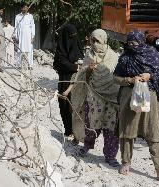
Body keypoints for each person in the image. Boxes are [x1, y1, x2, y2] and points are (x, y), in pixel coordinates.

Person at [113, 30, 159, 182]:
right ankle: (126, 163)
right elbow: (116, 78)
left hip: (150, 99)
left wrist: (149, 75)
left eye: (135, 43)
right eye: (130, 43)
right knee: (127, 130)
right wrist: (130, 80)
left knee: (154, 131)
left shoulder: (152, 54)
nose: (132, 46)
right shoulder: (125, 57)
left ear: (142, 43)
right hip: (129, 99)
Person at [67, 29, 120, 167]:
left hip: (112, 97)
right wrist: (89, 69)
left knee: (111, 127)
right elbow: (82, 75)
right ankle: (87, 146)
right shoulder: (89, 55)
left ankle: (110, 155)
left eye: (98, 41)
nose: (95, 44)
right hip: (93, 95)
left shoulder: (113, 56)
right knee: (91, 123)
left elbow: (117, 76)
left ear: (104, 41)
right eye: (93, 40)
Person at [53, 23, 84, 136]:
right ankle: (68, 130)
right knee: (65, 106)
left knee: (77, 107)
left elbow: (82, 60)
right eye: (70, 35)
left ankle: (77, 132)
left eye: (74, 35)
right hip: (65, 81)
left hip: (77, 82)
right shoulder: (60, 50)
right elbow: (58, 63)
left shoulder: (78, 46)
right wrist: (74, 67)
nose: (73, 37)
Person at [14, 2, 35, 69]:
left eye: (26, 7)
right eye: (24, 7)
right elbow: (16, 27)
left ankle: (30, 65)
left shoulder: (30, 16)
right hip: (21, 36)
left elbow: (33, 27)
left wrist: (33, 36)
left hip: (29, 36)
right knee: (20, 50)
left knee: (29, 50)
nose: (25, 8)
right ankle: (19, 65)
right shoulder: (17, 16)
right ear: (21, 8)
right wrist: (16, 37)